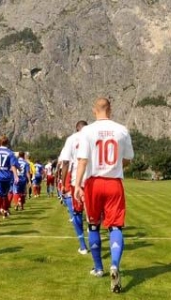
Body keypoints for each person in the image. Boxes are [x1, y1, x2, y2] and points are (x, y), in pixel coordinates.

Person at [74, 98, 134, 293]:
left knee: (93, 225)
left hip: (94, 183)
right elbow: (127, 160)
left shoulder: (87, 131)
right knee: (115, 226)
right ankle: (115, 265)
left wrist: (77, 185)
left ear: (94, 111)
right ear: (111, 109)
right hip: (114, 183)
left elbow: (82, 160)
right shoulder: (122, 130)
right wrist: (115, 166)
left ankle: (98, 267)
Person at [59, 120, 89, 254]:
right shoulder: (92, 136)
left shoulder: (71, 139)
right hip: (92, 178)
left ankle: (83, 245)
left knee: (77, 212)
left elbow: (65, 162)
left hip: (76, 179)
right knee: (93, 214)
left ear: (76, 129)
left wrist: (62, 181)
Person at [0, 135, 19, 222]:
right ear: (7, 143)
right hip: (7, 176)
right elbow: (13, 165)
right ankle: (4, 210)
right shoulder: (10, 152)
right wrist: (16, 175)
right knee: (4, 195)